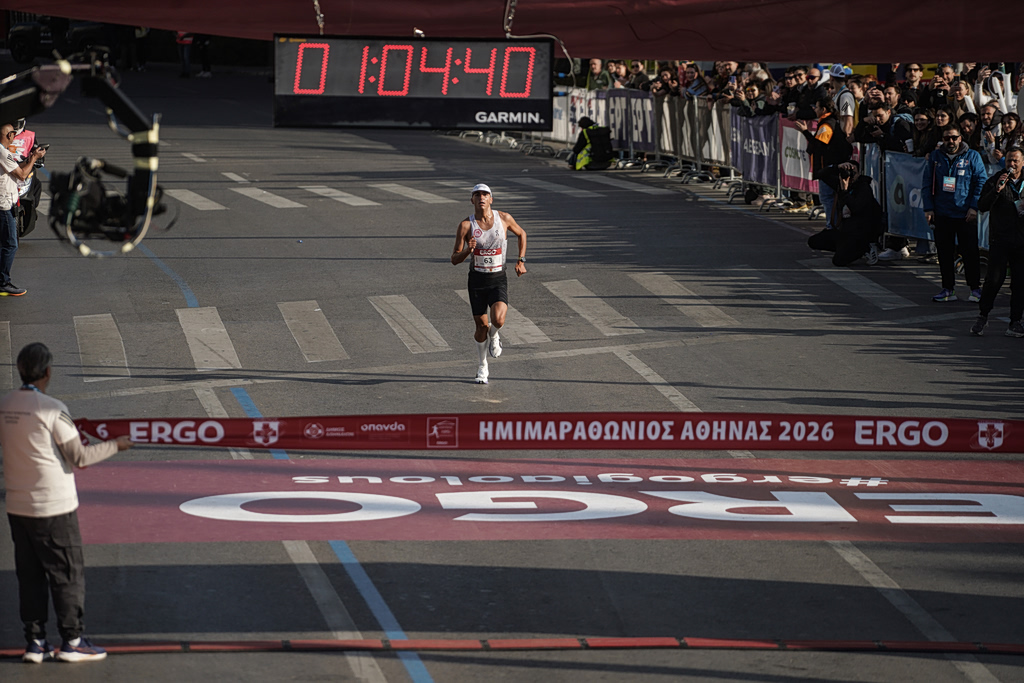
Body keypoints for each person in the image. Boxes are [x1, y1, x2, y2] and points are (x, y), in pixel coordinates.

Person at [1, 343, 134, 663]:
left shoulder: (5, 404)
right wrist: (116, 445)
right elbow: (79, 456)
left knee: (29, 575)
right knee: (66, 573)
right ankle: (72, 640)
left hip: (17, 506)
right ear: (48, 372)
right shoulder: (51, 408)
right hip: (53, 505)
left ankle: (35, 642)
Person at [450, 185, 527, 384]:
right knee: (481, 326)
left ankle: (495, 335)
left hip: (498, 278)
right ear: (472, 200)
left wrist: (521, 260)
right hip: (477, 280)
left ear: (491, 199)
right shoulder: (466, 226)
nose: (481, 198)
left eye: (485, 195)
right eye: (477, 195)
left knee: (498, 320)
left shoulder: (504, 219)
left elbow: (522, 234)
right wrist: (469, 250)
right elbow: (454, 259)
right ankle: (482, 366)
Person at [923, 123, 988, 302]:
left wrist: (974, 207)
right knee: (944, 253)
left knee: (970, 253)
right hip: (942, 212)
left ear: (960, 138)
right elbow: (927, 183)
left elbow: (981, 182)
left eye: (954, 137)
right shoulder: (936, 157)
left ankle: (975, 289)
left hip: (965, 213)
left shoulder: (972, 156)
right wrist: (928, 208)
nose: (950, 141)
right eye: (946, 138)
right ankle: (947, 289)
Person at [972, 147, 1024, 336]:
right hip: (1000, 239)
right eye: (1009, 160)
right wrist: (996, 190)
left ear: (1022, 162)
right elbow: (982, 206)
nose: (1011, 164)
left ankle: (1015, 321)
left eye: (1015, 161)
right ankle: (983, 316)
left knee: (1020, 283)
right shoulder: (996, 180)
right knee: (993, 280)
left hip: (1022, 242)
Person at [807, 161, 884, 266]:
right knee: (814, 241)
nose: (851, 176)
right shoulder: (841, 183)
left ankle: (866, 248)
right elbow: (820, 174)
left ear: (859, 173)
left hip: (861, 234)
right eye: (848, 172)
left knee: (838, 261)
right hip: (845, 232)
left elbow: (856, 208)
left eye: (854, 173)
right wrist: (836, 167)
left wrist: (845, 192)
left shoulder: (864, 187)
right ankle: (847, 248)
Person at [0, 123, 45, 296]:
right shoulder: (3, 152)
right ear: (10, 135)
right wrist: (33, 158)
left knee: (5, 243)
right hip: (4, 204)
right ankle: (3, 282)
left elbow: (18, 169)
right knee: (11, 243)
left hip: (7, 201)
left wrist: (32, 156)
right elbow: (21, 174)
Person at [795, 96, 853, 229]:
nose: (814, 109)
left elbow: (818, 144)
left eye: (817, 107)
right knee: (831, 199)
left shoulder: (827, 124)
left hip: (828, 168)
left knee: (828, 199)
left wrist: (805, 132)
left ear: (824, 109)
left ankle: (832, 226)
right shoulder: (826, 122)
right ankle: (834, 225)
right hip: (830, 167)